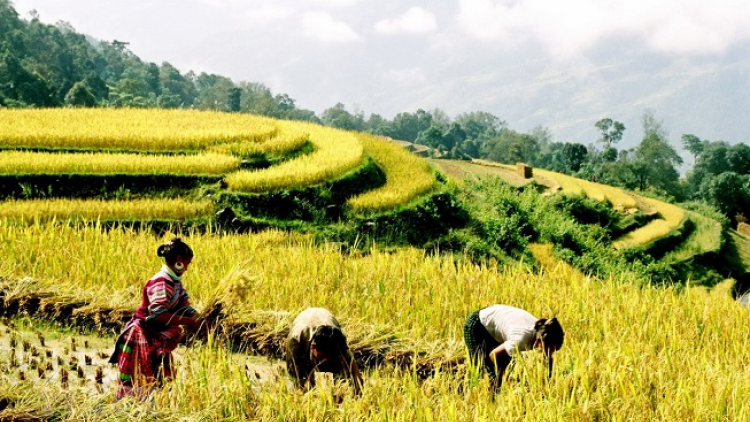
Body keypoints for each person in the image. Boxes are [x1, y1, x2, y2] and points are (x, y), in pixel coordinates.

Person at [109, 237, 209, 400]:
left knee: (158, 378)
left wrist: (198, 317)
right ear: (178, 261)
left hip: (155, 336)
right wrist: (190, 322)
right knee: (139, 381)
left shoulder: (175, 282)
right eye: (187, 263)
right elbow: (158, 314)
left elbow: (183, 303)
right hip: (143, 334)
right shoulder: (161, 282)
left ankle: (153, 408)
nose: (187, 268)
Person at [463, 304, 564, 393]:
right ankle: (470, 395)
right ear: (539, 341)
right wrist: (499, 375)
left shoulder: (540, 330)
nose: (550, 352)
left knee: (505, 363)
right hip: (477, 324)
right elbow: (493, 355)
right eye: (549, 349)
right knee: (482, 370)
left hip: (494, 322)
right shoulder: (521, 339)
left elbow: (549, 359)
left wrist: (548, 381)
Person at [285, 307, 363, 395]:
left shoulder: (337, 339)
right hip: (305, 320)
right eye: (323, 356)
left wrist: (358, 389)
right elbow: (294, 375)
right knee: (301, 377)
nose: (326, 359)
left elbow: (353, 367)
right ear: (313, 347)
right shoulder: (295, 340)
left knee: (336, 372)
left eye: (329, 356)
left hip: (327, 317)